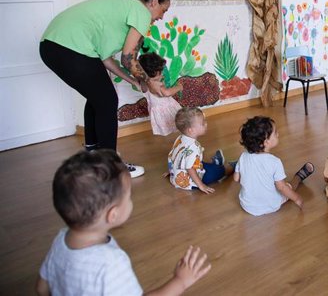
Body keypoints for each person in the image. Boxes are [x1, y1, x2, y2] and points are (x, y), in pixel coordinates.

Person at [39, 0, 171, 178]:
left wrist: (133, 81)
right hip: (69, 47)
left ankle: (93, 155)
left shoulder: (123, 9)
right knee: (107, 100)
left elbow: (105, 59)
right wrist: (150, 82)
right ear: (153, 2)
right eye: (163, 10)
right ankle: (110, 165)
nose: (161, 17)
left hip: (51, 46)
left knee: (98, 98)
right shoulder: (141, 12)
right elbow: (128, 58)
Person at [36, 149, 211, 295]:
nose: (131, 200)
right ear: (113, 214)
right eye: (128, 197)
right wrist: (180, 281)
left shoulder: (61, 240)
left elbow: (42, 288)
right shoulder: (111, 262)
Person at [234, 116, 314, 216]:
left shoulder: (243, 156)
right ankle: (298, 177)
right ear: (266, 142)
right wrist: (298, 199)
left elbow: (236, 179)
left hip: (247, 204)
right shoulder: (274, 162)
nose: (278, 134)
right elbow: (282, 188)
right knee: (288, 186)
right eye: (275, 133)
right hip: (270, 205)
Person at [168, 107, 234, 194]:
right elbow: (190, 168)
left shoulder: (180, 138)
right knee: (220, 170)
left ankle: (216, 163)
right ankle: (233, 166)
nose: (206, 124)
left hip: (176, 178)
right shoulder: (194, 147)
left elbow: (174, 155)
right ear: (191, 130)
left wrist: (172, 170)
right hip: (189, 182)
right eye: (203, 123)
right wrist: (201, 185)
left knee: (201, 163)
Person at [139, 52, 183, 136]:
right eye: (160, 72)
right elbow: (167, 93)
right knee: (178, 125)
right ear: (156, 72)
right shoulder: (157, 85)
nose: (162, 74)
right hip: (166, 110)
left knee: (171, 129)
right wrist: (179, 87)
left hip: (157, 110)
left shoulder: (144, 82)